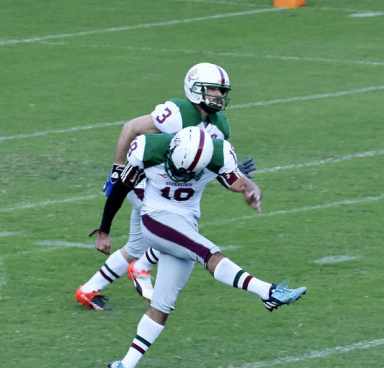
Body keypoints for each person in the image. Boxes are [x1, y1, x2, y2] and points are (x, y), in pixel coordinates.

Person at [92, 127, 307, 368]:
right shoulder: (148, 148)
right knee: (208, 253)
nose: (180, 176)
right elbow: (119, 190)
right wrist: (104, 229)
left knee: (162, 307)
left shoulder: (219, 154)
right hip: (155, 218)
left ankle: (125, 366)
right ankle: (268, 292)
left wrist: (251, 191)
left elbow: (241, 182)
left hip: (185, 223)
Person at [75, 62, 255, 309]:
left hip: (169, 186)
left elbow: (202, 162)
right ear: (195, 88)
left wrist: (232, 175)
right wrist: (118, 169)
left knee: (139, 244)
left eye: (222, 91)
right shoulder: (177, 113)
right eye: (213, 89)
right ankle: (140, 269)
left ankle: (88, 290)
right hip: (147, 181)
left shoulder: (220, 125)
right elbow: (131, 128)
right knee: (172, 231)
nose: (219, 96)